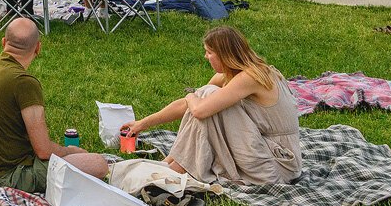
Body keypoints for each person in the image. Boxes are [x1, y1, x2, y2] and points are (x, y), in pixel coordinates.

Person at [121, 26, 301, 186]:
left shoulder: (251, 76)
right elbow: (190, 106)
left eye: (209, 52)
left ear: (224, 55)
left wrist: (191, 95)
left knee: (207, 95)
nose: (205, 56)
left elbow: (199, 109)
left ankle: (177, 166)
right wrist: (142, 123)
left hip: (277, 166)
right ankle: (174, 163)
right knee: (206, 96)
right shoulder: (234, 75)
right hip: (264, 151)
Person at [0, 18, 108, 191]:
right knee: (98, 164)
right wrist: (70, 151)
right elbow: (43, 150)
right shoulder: (24, 83)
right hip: (3, 175)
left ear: (3, 43)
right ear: (38, 48)